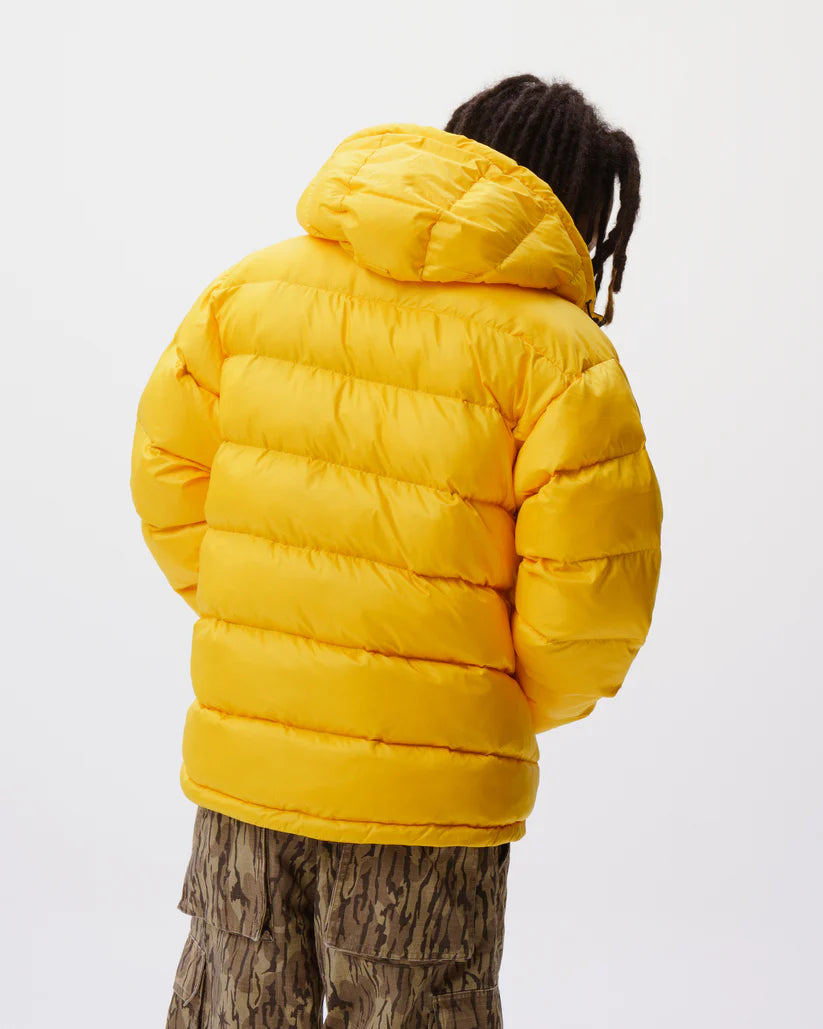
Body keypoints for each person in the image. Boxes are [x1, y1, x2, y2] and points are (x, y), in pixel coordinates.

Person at [130, 73, 663, 1029]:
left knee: (231, 1007)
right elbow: (591, 610)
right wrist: (473, 699)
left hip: (248, 774)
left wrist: (270, 630)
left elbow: (166, 475)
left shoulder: (252, 291)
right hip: (429, 808)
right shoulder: (560, 358)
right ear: (579, 210)